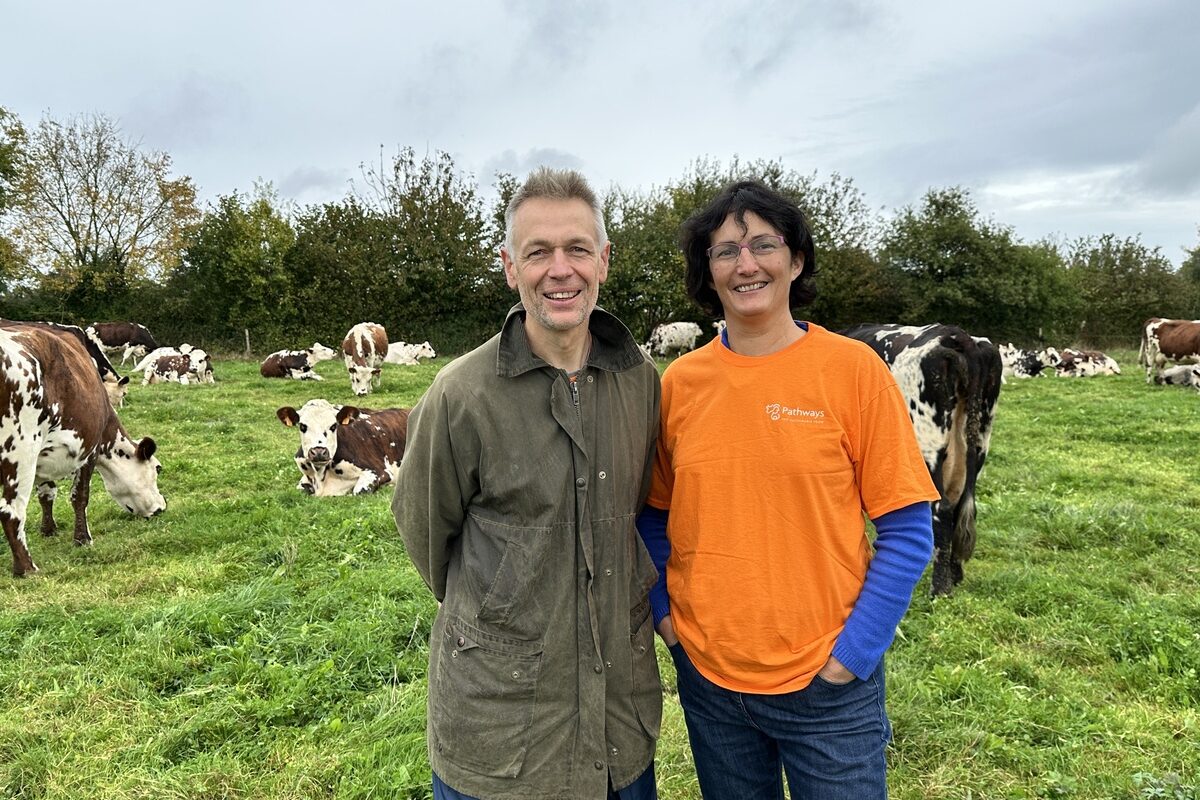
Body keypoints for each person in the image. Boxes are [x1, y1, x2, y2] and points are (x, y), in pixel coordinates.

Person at [636, 179, 940, 799]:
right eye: (725, 251)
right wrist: (669, 621)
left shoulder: (854, 372)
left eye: (764, 245)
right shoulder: (681, 384)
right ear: (708, 273)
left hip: (828, 689)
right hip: (711, 683)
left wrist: (853, 655)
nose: (746, 264)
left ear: (795, 261)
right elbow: (651, 518)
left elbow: (909, 531)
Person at [393, 167, 663, 800]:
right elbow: (426, 531)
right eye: (537, 252)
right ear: (511, 267)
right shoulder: (460, 394)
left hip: (617, 723)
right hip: (501, 730)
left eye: (576, 249)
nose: (559, 269)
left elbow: (642, 507)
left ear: (604, 260)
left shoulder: (641, 382)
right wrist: (504, 606)